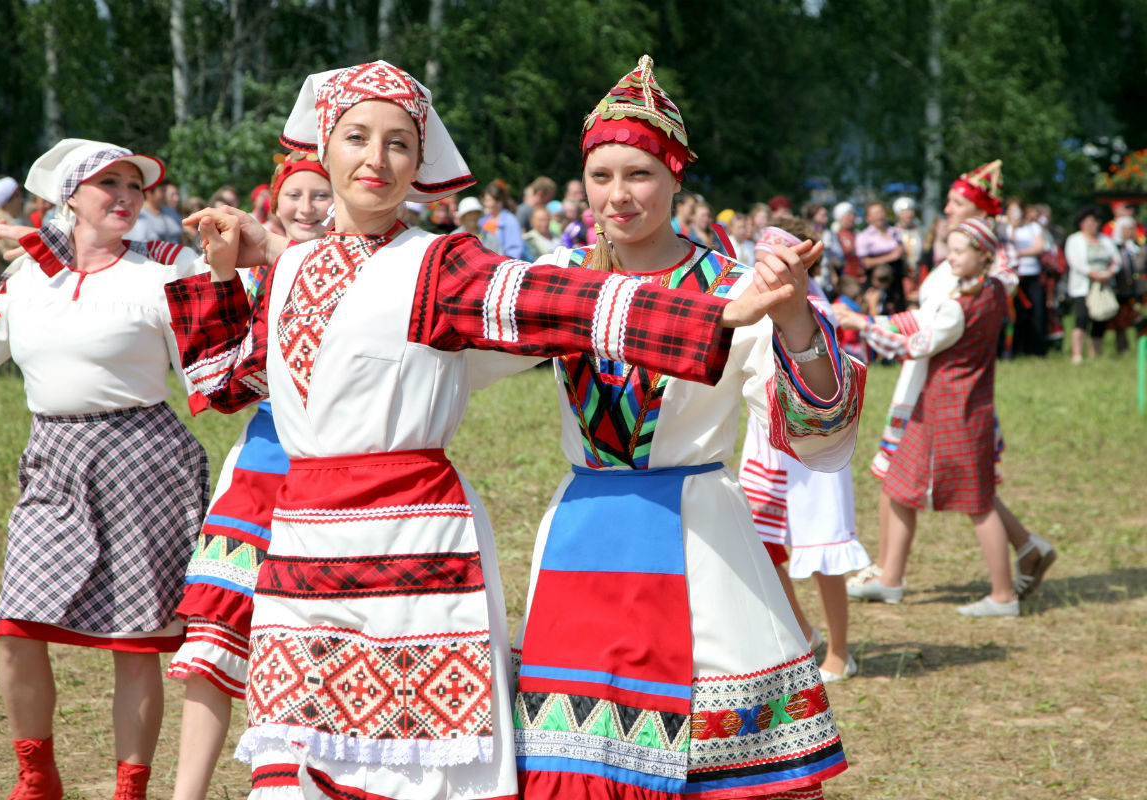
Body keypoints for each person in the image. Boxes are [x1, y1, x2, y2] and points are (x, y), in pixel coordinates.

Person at [166, 61, 801, 800]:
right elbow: (222, 381)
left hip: (410, 546)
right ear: (322, 150)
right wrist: (225, 272)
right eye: (358, 138)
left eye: (399, 143)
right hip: (303, 548)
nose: (377, 159)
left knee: (417, 775)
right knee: (296, 769)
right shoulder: (294, 267)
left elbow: (560, 302)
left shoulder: (443, 264)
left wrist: (711, 314)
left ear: (421, 160)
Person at [512, 56, 860, 800]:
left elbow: (816, 431)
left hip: (702, 538)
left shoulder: (735, 286)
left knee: (725, 758)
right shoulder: (559, 278)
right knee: (577, 758)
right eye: (601, 176)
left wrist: (794, 313)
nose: (617, 195)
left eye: (638, 174)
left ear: (675, 178)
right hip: (586, 534)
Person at [0, 138, 210, 800]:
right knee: (16, 627)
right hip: (54, 459)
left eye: (135, 186)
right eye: (108, 185)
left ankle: (130, 788)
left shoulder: (161, 272)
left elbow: (223, 357)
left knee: (135, 638)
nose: (126, 197)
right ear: (69, 199)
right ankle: (36, 776)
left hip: (143, 458)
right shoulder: (28, 280)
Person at [167, 148, 333, 800]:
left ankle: (302, 782)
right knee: (216, 631)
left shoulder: (371, 273)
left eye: (321, 195)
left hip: (339, 466)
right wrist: (220, 275)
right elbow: (218, 383)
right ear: (273, 203)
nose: (307, 207)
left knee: (315, 637)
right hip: (263, 460)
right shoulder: (251, 278)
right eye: (295, 195)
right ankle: (187, 794)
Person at [847, 160, 1055, 606]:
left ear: (980, 222)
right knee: (960, 485)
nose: (947, 208)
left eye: (957, 202)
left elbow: (926, 331)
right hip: (947, 388)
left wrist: (863, 323)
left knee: (953, 488)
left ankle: (901, 575)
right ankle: (1025, 551)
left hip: (944, 391)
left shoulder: (974, 287)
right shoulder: (979, 278)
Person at [837, 218, 1019, 616]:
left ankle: (1003, 596)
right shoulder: (993, 290)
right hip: (965, 405)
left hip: (946, 411)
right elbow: (923, 321)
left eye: (958, 251)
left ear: (983, 255)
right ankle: (890, 579)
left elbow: (914, 345)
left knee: (978, 502)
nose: (949, 257)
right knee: (900, 487)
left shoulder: (959, 305)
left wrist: (861, 324)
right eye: (948, 249)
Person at [739, 223, 870, 685]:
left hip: (811, 446)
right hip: (765, 441)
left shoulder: (814, 311)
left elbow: (824, 381)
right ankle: (804, 631)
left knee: (819, 548)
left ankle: (840, 649)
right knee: (759, 541)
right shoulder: (750, 306)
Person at [1065, 204, 1120, 363]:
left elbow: (1117, 260)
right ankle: (1077, 355)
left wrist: (1108, 273)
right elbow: (1076, 262)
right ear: (1081, 223)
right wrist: (1093, 274)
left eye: (1094, 221)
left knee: (1100, 319)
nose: (1092, 224)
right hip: (1083, 286)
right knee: (1082, 317)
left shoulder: (1105, 240)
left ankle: (1095, 354)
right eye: (1088, 221)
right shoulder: (1074, 239)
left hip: (1103, 285)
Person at [1005, 197, 1048, 356]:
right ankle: (1016, 349)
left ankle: (1037, 349)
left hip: (1032, 275)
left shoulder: (1033, 228)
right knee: (1016, 315)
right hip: (1014, 278)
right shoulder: (1006, 229)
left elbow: (1039, 247)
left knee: (1036, 313)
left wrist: (1018, 253)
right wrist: (1014, 229)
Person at [480, 179, 522, 257]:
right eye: (485, 200)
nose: (485, 204)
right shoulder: (482, 221)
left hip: (503, 264)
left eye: (488, 200)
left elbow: (515, 250)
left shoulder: (510, 221)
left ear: (499, 201)